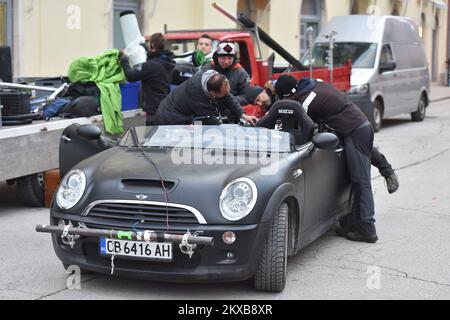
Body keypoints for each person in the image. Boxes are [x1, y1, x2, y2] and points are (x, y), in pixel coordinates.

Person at [275, 75, 378, 243]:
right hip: (357, 128)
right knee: (357, 180)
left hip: (355, 131)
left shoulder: (306, 104)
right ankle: (353, 224)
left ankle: (367, 229)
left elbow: (301, 130)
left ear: (289, 96)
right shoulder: (314, 84)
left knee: (361, 181)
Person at [246, 83, 399, 194]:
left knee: (360, 153)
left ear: (263, 90)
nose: (259, 103)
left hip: (346, 122)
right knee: (357, 148)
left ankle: (387, 171)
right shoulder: (281, 97)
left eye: (259, 98)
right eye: (256, 103)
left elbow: (301, 120)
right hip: (335, 123)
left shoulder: (287, 93)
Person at [153, 69, 258, 126]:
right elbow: (210, 121)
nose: (227, 94)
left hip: (179, 114)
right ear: (212, 93)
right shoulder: (197, 97)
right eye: (224, 93)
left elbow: (227, 96)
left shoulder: (212, 79)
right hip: (168, 120)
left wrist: (243, 115)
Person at [120, 33, 175, 125]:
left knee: (151, 138)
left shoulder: (151, 65)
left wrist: (124, 61)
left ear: (152, 45)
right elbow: (155, 58)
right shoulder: (167, 62)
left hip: (154, 111)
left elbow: (131, 77)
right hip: (164, 106)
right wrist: (145, 48)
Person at [202, 42, 250, 106]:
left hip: (232, 110)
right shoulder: (207, 69)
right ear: (217, 57)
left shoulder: (241, 73)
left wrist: (227, 101)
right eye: (223, 58)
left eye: (230, 58)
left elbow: (247, 96)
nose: (226, 62)